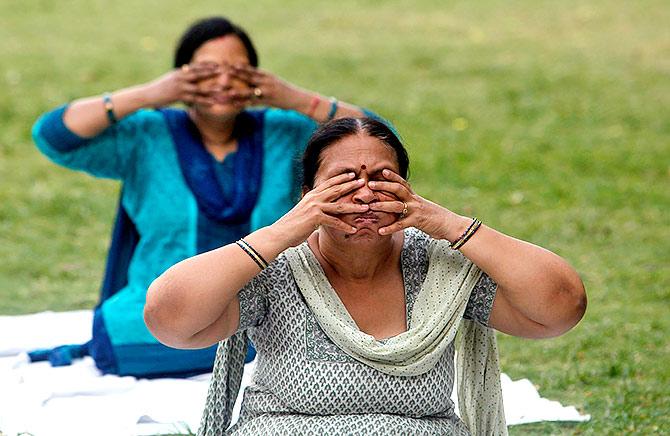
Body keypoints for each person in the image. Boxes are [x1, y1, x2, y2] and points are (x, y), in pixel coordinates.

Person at [144, 117, 587, 434]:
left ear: (408, 191)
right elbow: (170, 321)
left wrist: (450, 225)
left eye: (382, 179)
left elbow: (561, 307)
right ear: (308, 195)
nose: (364, 194)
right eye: (343, 181)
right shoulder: (278, 267)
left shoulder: (440, 268)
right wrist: (284, 231)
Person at [31, 16, 377, 377]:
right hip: (167, 309)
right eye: (207, 71)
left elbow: (374, 140)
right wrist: (151, 94)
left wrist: (295, 98)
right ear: (181, 76)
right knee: (123, 337)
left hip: (276, 305)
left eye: (239, 71)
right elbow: (53, 136)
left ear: (257, 80)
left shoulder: (285, 132)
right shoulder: (146, 135)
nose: (224, 81)